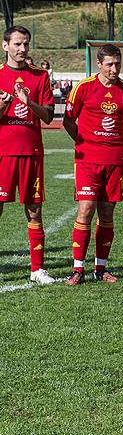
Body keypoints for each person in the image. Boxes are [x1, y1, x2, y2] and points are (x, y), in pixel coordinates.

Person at [63, 44, 123, 285]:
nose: (114, 68)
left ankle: (101, 268)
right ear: (99, 64)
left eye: (117, 64)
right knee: (85, 210)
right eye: (109, 64)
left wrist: (117, 147)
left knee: (107, 212)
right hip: (87, 161)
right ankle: (77, 269)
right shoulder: (83, 88)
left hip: (115, 162)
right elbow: (68, 121)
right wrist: (85, 142)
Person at [0, 27, 55, 284]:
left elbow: (48, 116)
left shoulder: (40, 76)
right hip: (3, 154)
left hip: (32, 153)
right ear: (5, 46)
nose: (23, 49)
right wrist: (2, 105)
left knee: (34, 210)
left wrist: (27, 102)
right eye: (18, 44)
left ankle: (37, 270)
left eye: (26, 44)